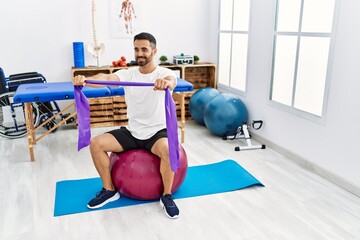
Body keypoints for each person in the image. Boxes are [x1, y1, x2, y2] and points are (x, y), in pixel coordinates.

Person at [72, 32, 179, 219]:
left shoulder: (163, 73)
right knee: (96, 144)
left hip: (156, 132)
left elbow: (172, 81)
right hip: (133, 131)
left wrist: (166, 83)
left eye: (144, 49)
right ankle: (109, 190)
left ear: (154, 51)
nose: (140, 53)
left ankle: (167, 195)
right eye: (136, 49)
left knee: (169, 150)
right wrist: (85, 79)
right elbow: (106, 78)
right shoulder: (128, 73)